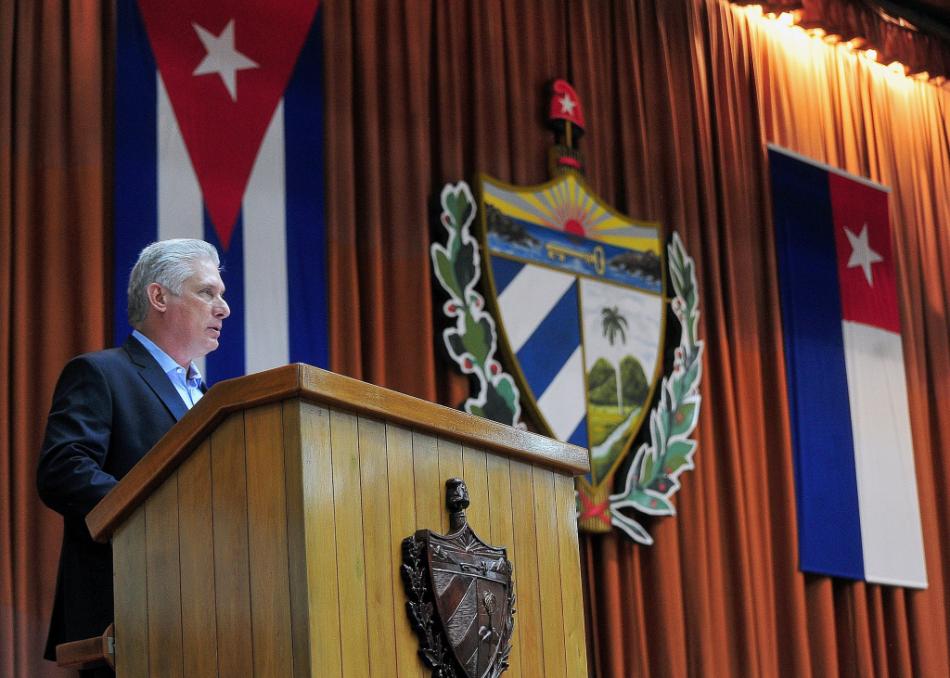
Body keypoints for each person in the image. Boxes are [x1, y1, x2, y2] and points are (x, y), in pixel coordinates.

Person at [36, 239, 229, 676]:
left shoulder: (213, 401)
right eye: (207, 293)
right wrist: (163, 507)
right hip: (130, 616)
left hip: (212, 619)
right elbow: (63, 472)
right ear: (158, 296)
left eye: (222, 294)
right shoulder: (102, 373)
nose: (224, 309)